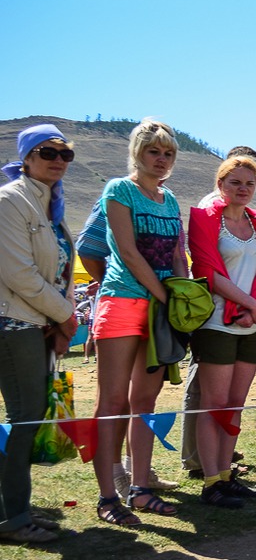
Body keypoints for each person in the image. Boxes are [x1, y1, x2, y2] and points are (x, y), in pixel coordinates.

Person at [92, 119, 187, 525]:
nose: (161, 159)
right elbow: (128, 252)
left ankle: (140, 488)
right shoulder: (119, 189)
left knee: (145, 401)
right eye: (154, 151)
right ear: (137, 153)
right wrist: (165, 296)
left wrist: (182, 297)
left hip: (161, 311)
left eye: (168, 153)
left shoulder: (170, 199)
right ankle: (107, 496)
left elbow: (178, 255)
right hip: (123, 301)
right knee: (112, 402)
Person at [0, 124, 78, 543]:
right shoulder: (10, 201)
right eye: (48, 152)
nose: (58, 160)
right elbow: (19, 274)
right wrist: (65, 316)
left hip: (38, 324)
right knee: (25, 418)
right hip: (13, 323)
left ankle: (17, 511)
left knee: (29, 418)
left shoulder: (52, 206)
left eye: (66, 154)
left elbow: (60, 273)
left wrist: (60, 320)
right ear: (26, 158)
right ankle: (12, 519)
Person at [188, 156, 256, 508]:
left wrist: (255, 311)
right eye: (235, 182)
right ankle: (211, 483)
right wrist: (249, 305)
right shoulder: (205, 219)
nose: (243, 189)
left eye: (249, 183)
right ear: (220, 184)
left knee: (235, 404)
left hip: (252, 324)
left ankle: (226, 475)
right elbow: (206, 272)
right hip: (216, 323)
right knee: (214, 404)